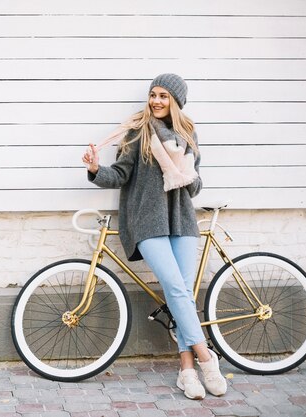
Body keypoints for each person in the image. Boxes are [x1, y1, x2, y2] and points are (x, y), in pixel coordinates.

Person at [81, 73, 227, 400]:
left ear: (176, 101)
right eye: (153, 95)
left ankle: (186, 370)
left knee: (182, 296)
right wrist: (94, 169)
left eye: (164, 96)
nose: (156, 101)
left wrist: (183, 168)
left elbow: (195, 185)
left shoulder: (186, 134)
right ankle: (206, 357)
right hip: (147, 222)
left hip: (182, 222)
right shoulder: (138, 133)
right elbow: (120, 174)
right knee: (176, 288)